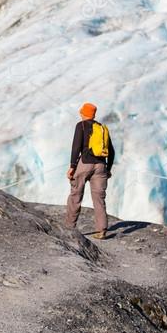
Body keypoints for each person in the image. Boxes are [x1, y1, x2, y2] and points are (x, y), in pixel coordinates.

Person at [64, 102, 115, 239]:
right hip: (101, 166)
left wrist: (72, 166)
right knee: (99, 198)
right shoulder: (101, 128)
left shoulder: (80, 126)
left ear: (83, 113)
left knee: (76, 194)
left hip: (85, 164)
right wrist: (108, 169)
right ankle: (102, 230)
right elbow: (112, 151)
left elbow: (76, 147)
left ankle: (69, 227)